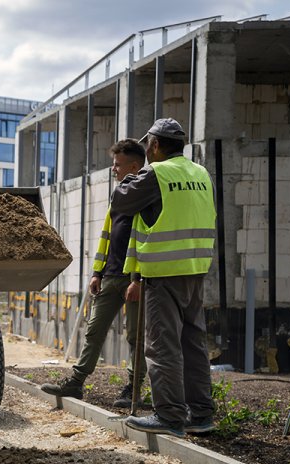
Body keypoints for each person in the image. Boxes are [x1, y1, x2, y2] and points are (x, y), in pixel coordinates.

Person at [110, 118, 217, 437]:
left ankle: (169, 416)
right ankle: (201, 414)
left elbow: (121, 202)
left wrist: (128, 176)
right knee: (193, 342)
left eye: (148, 145)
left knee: (162, 345)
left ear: (155, 145)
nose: (146, 150)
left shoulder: (157, 173)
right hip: (195, 271)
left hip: (164, 273)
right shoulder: (201, 173)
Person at [40, 139, 147, 407]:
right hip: (111, 275)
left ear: (134, 166)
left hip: (135, 277)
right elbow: (107, 238)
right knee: (94, 330)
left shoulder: (147, 193)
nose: (113, 169)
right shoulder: (118, 195)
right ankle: (75, 384)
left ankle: (133, 390)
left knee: (136, 335)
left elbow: (146, 239)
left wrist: (139, 279)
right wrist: (97, 272)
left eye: (118, 165)